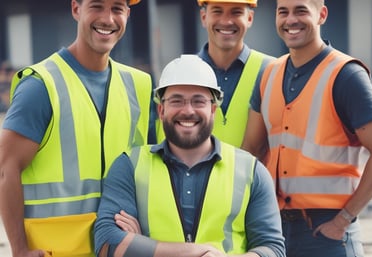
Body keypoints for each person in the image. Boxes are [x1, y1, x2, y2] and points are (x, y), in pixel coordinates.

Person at [0, 0, 152, 256]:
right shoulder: (41, 85)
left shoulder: (138, 85)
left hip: (119, 248)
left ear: (128, 14)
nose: (108, 18)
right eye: (97, 6)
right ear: (75, 9)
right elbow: (6, 169)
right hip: (54, 251)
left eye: (117, 8)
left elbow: (145, 169)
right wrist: (19, 249)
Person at [94, 54, 286, 257]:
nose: (188, 111)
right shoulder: (130, 166)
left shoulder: (250, 171)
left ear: (213, 109)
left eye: (198, 101)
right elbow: (107, 243)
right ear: (161, 110)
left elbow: (272, 249)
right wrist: (197, 252)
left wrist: (142, 246)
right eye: (177, 101)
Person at [241, 0, 372, 256]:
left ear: (321, 15)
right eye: (283, 12)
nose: (291, 20)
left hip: (328, 233)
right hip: (274, 228)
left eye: (301, 10)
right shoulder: (268, 74)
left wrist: (343, 220)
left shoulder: (347, 75)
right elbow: (250, 150)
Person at [150, 0, 274, 148]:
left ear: (249, 18)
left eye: (236, 12)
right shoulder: (177, 75)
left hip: (254, 171)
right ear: (203, 17)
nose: (226, 21)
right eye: (217, 11)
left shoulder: (272, 71)